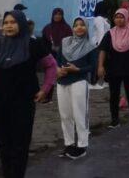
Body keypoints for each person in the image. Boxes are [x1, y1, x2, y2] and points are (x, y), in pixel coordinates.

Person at [0, 10, 57, 178]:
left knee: (20, 145)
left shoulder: (33, 45)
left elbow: (51, 66)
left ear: (21, 24)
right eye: (6, 23)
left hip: (23, 103)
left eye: (13, 22)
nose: (9, 26)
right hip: (0, 102)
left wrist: (45, 89)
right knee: (3, 145)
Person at [55, 17, 98, 159]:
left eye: (82, 25)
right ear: (72, 28)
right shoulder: (65, 42)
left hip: (79, 81)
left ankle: (82, 146)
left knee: (80, 114)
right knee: (65, 115)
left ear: (86, 27)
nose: (79, 27)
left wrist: (77, 69)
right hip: (62, 81)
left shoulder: (90, 45)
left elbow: (92, 65)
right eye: (76, 25)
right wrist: (58, 69)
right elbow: (57, 60)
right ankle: (69, 144)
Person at [98, 8, 129, 130]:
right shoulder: (110, 33)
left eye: (121, 17)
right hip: (113, 69)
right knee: (114, 95)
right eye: (116, 17)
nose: (119, 20)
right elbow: (102, 50)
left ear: (126, 18)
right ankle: (114, 120)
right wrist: (100, 66)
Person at [89, 2, 111, 90]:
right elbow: (100, 32)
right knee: (96, 64)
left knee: (105, 63)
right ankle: (94, 82)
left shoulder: (104, 19)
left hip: (105, 44)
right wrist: (102, 46)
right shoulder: (99, 19)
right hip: (98, 45)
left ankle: (106, 81)